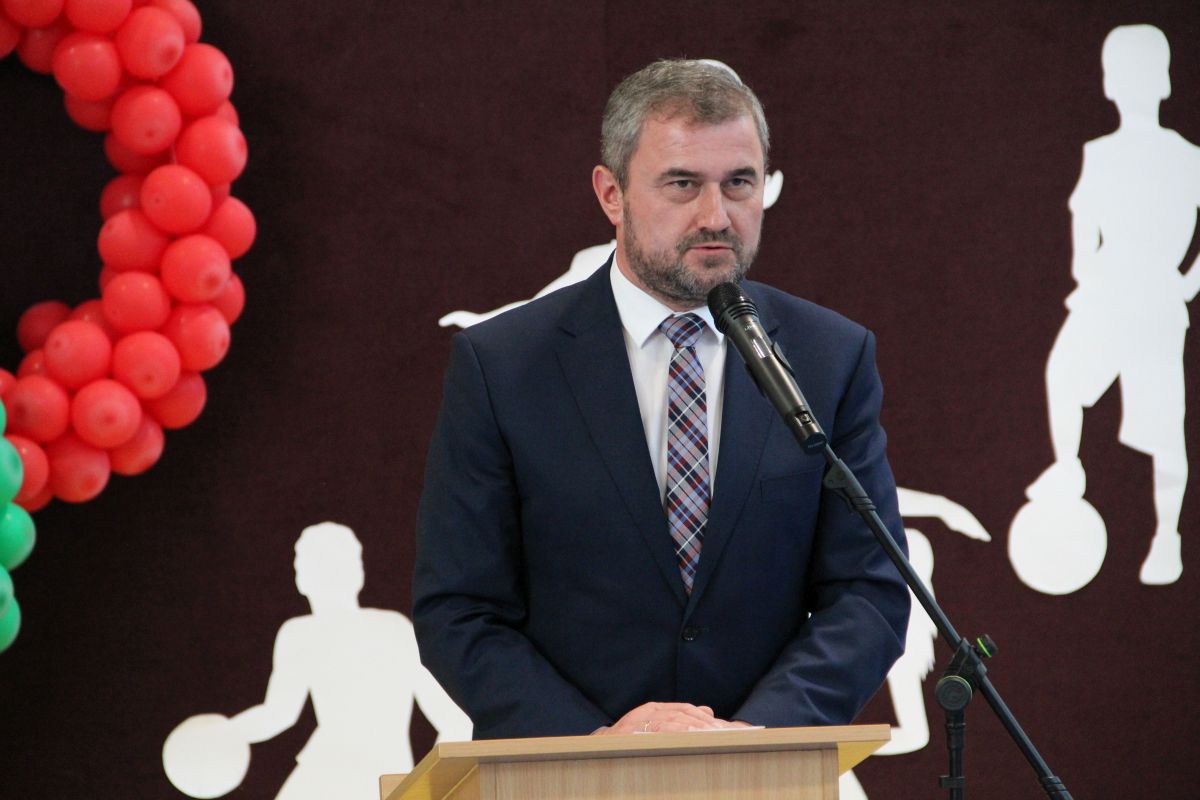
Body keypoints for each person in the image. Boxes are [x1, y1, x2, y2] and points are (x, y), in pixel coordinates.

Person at [413, 59, 910, 739]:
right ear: (611, 193)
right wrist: (595, 745)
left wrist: (758, 734)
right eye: (682, 184)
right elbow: (460, 608)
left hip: (763, 770)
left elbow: (869, 591)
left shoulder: (830, 357)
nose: (716, 216)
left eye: (739, 183)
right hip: (569, 775)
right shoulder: (503, 364)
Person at [1025, 24, 1200, 585]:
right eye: (1121, 74)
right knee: (1063, 375)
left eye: (1142, 74)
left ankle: (1166, 536)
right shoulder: (1098, 154)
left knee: (1165, 428)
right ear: (1108, 83)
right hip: (1105, 295)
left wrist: (1186, 283)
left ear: (1164, 81)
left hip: (1154, 302)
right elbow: (1084, 222)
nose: (1130, 85)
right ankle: (1067, 466)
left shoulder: (1187, 157)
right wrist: (1086, 270)